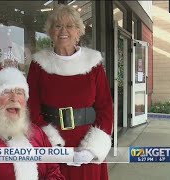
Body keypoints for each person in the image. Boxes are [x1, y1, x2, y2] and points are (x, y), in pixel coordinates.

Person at [27, 5, 113, 180]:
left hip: (86, 145)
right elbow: (31, 109)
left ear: (78, 31)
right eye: (57, 26)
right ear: (50, 32)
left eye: (70, 26)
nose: (63, 31)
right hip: (52, 147)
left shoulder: (93, 63)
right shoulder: (39, 65)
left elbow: (105, 108)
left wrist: (92, 149)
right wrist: (51, 144)